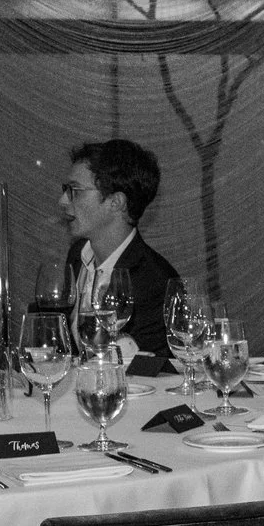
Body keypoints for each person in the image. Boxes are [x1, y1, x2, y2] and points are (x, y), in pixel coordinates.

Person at [58, 138, 181, 374]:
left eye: (75, 191)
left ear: (116, 202)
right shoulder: (76, 257)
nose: (63, 201)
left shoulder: (156, 282)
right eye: (66, 190)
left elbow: (153, 375)